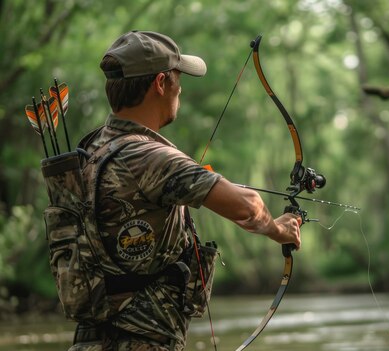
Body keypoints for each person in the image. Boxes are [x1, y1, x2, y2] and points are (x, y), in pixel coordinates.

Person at [70, 30, 301, 351]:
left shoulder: (92, 147)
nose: (181, 89)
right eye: (179, 79)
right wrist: (279, 229)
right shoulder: (150, 157)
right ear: (161, 83)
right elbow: (247, 206)